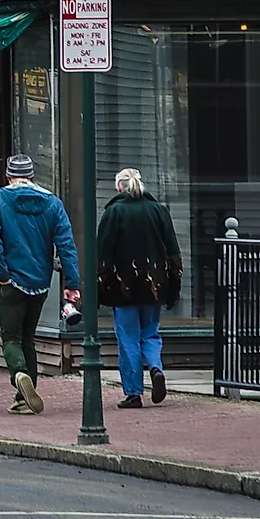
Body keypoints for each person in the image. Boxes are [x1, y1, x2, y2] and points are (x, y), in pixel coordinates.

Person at [0, 153, 79, 414]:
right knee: (29, 338)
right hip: (40, 282)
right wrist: (72, 282)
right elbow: (66, 245)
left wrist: (1, 274)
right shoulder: (52, 203)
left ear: (8, 176)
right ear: (32, 176)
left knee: (11, 338)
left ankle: (19, 376)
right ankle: (25, 397)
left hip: (11, 281)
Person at [94, 166, 182, 408]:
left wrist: (98, 284)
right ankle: (155, 367)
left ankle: (134, 393)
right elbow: (173, 251)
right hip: (154, 284)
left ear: (119, 187)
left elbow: (103, 253)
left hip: (123, 287)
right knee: (151, 334)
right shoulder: (158, 211)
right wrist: (173, 284)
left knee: (128, 337)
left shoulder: (114, 212)